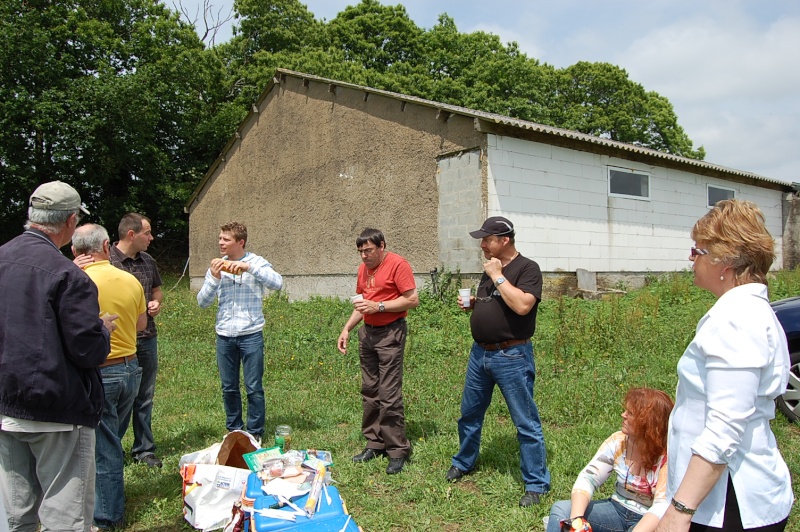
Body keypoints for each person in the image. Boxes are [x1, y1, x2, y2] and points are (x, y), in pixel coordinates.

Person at [655, 199, 793, 532]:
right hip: (722, 497)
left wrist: (678, 511)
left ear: (725, 261)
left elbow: (724, 428)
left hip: (728, 503)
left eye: (697, 251)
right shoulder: (747, 311)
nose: (691, 259)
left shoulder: (736, 319)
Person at [0, 181, 115, 531]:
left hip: (7, 403)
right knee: (65, 517)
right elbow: (87, 350)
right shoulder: (69, 275)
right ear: (70, 221)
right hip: (57, 408)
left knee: (15, 514)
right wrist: (103, 331)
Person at [445, 216, 550, 507]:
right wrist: (476, 305)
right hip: (480, 354)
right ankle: (464, 462)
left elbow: (522, 305)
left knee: (525, 422)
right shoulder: (491, 266)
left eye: (487, 239)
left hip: (512, 356)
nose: (482, 245)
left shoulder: (527, 268)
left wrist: (497, 276)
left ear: (504, 240)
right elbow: (499, 301)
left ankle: (536, 484)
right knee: (469, 413)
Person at [73, 224, 146, 530]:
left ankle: (106, 516)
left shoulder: (76, 279)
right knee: (112, 440)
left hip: (101, 370)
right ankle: (105, 500)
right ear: (106, 247)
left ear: (76, 252)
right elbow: (141, 324)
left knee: (104, 449)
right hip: (131, 369)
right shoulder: (130, 279)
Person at [337, 228, 419, 474]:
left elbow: (412, 299)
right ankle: (375, 443)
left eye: (369, 250)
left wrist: (379, 306)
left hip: (390, 332)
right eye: (361, 252)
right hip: (368, 333)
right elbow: (363, 302)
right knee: (370, 390)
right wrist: (347, 329)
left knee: (388, 393)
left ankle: (397, 450)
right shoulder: (364, 269)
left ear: (382, 245)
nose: (364, 256)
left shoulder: (397, 264)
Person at [197, 221, 283, 441]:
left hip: (251, 334)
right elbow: (202, 302)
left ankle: (255, 433)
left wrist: (250, 269)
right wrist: (215, 279)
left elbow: (277, 283)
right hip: (224, 335)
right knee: (229, 388)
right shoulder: (216, 267)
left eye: (225, 239)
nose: (220, 243)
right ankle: (234, 430)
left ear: (240, 242)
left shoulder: (257, 262)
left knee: (253, 387)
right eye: (220, 238)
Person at [547, 388, 674, 532]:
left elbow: (661, 506)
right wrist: (577, 522)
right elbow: (588, 478)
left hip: (649, 519)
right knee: (561, 509)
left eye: (630, 413)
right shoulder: (618, 441)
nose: (623, 415)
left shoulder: (667, 457)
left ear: (648, 423)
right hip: (616, 509)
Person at [111, 213, 164, 468]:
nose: (152, 238)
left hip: (147, 338)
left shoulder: (148, 261)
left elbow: (156, 289)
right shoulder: (105, 261)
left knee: (145, 395)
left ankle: (144, 449)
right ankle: (112, 448)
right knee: (120, 397)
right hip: (117, 342)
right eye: (147, 233)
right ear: (131, 234)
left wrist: (156, 302)